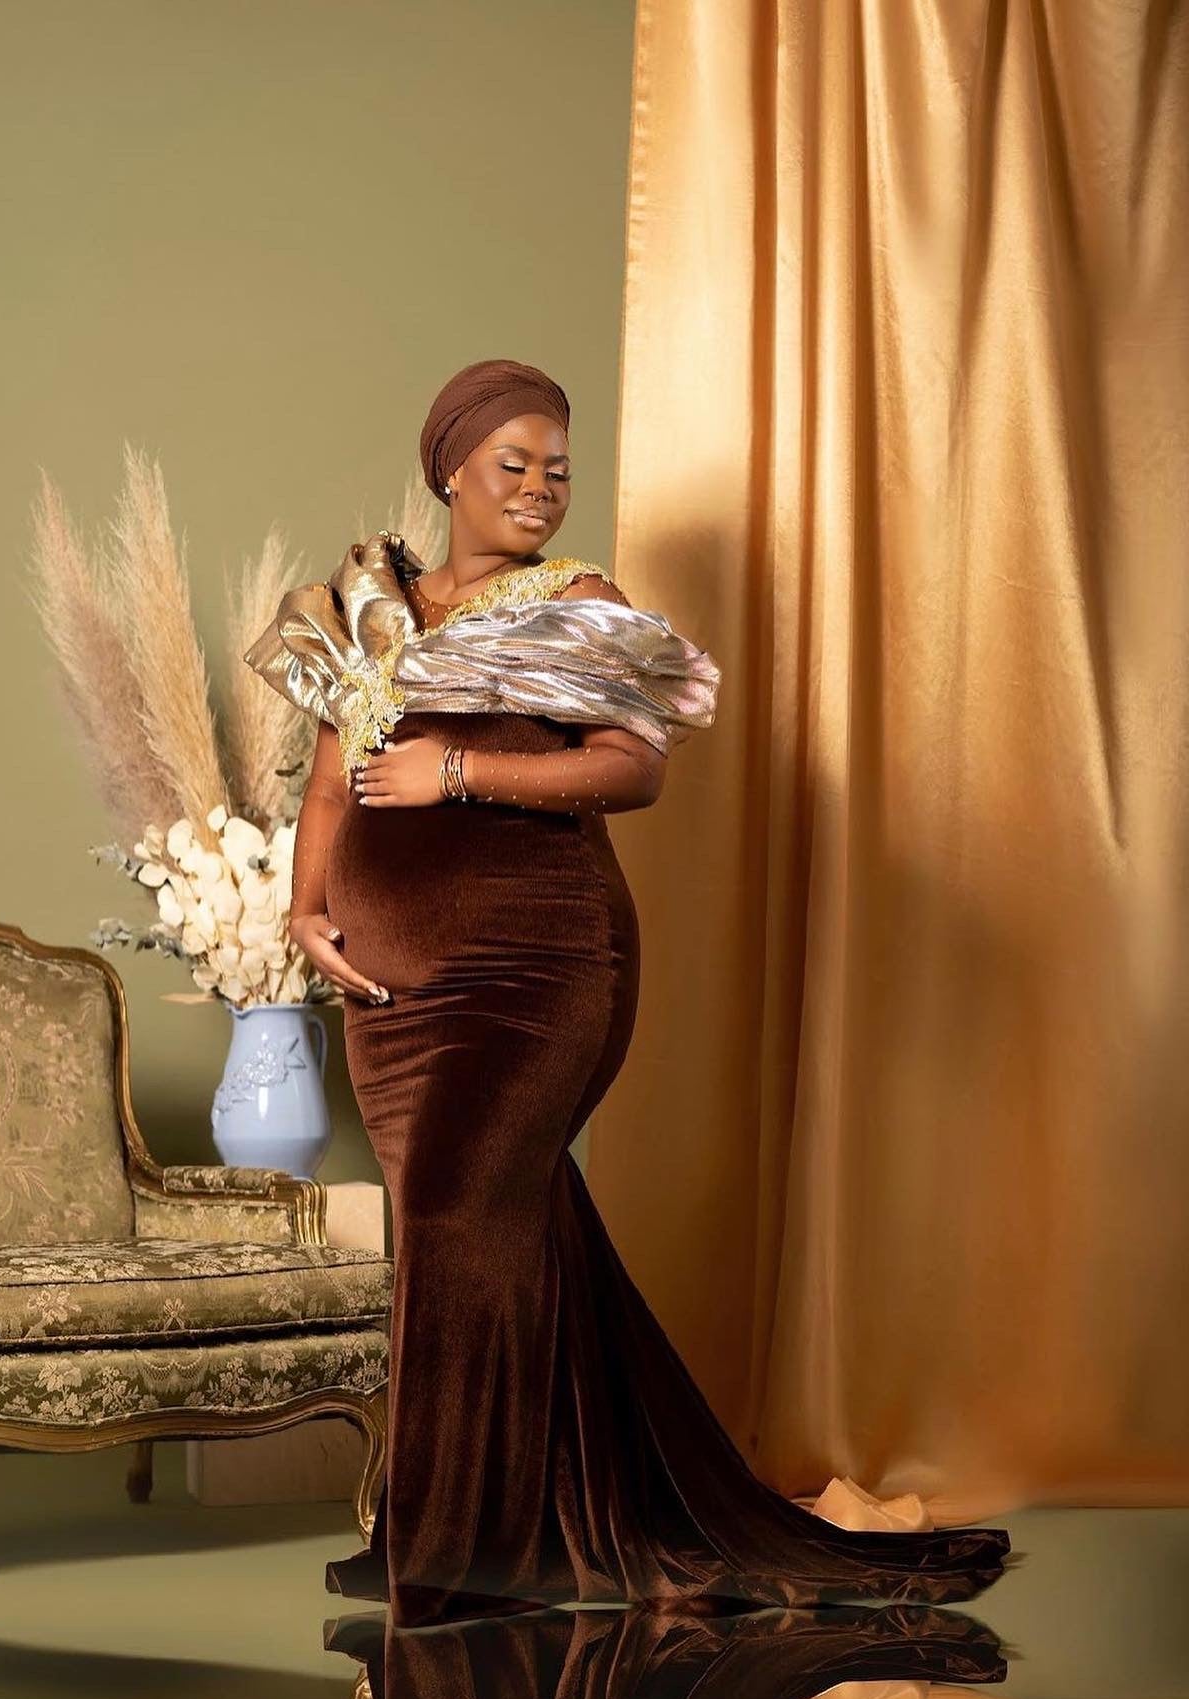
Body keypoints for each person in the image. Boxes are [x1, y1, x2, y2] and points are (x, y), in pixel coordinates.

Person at [243, 357, 1014, 1630]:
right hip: (391, 995)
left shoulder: (580, 604)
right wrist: (306, 909)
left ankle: (454, 1553)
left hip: (539, 970)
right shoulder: (368, 606)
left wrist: (458, 772)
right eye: (513, 465)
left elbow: (632, 770)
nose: (541, 489)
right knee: (479, 1235)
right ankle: (520, 1524)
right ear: (448, 471)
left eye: (557, 469)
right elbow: (330, 782)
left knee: (453, 1212)